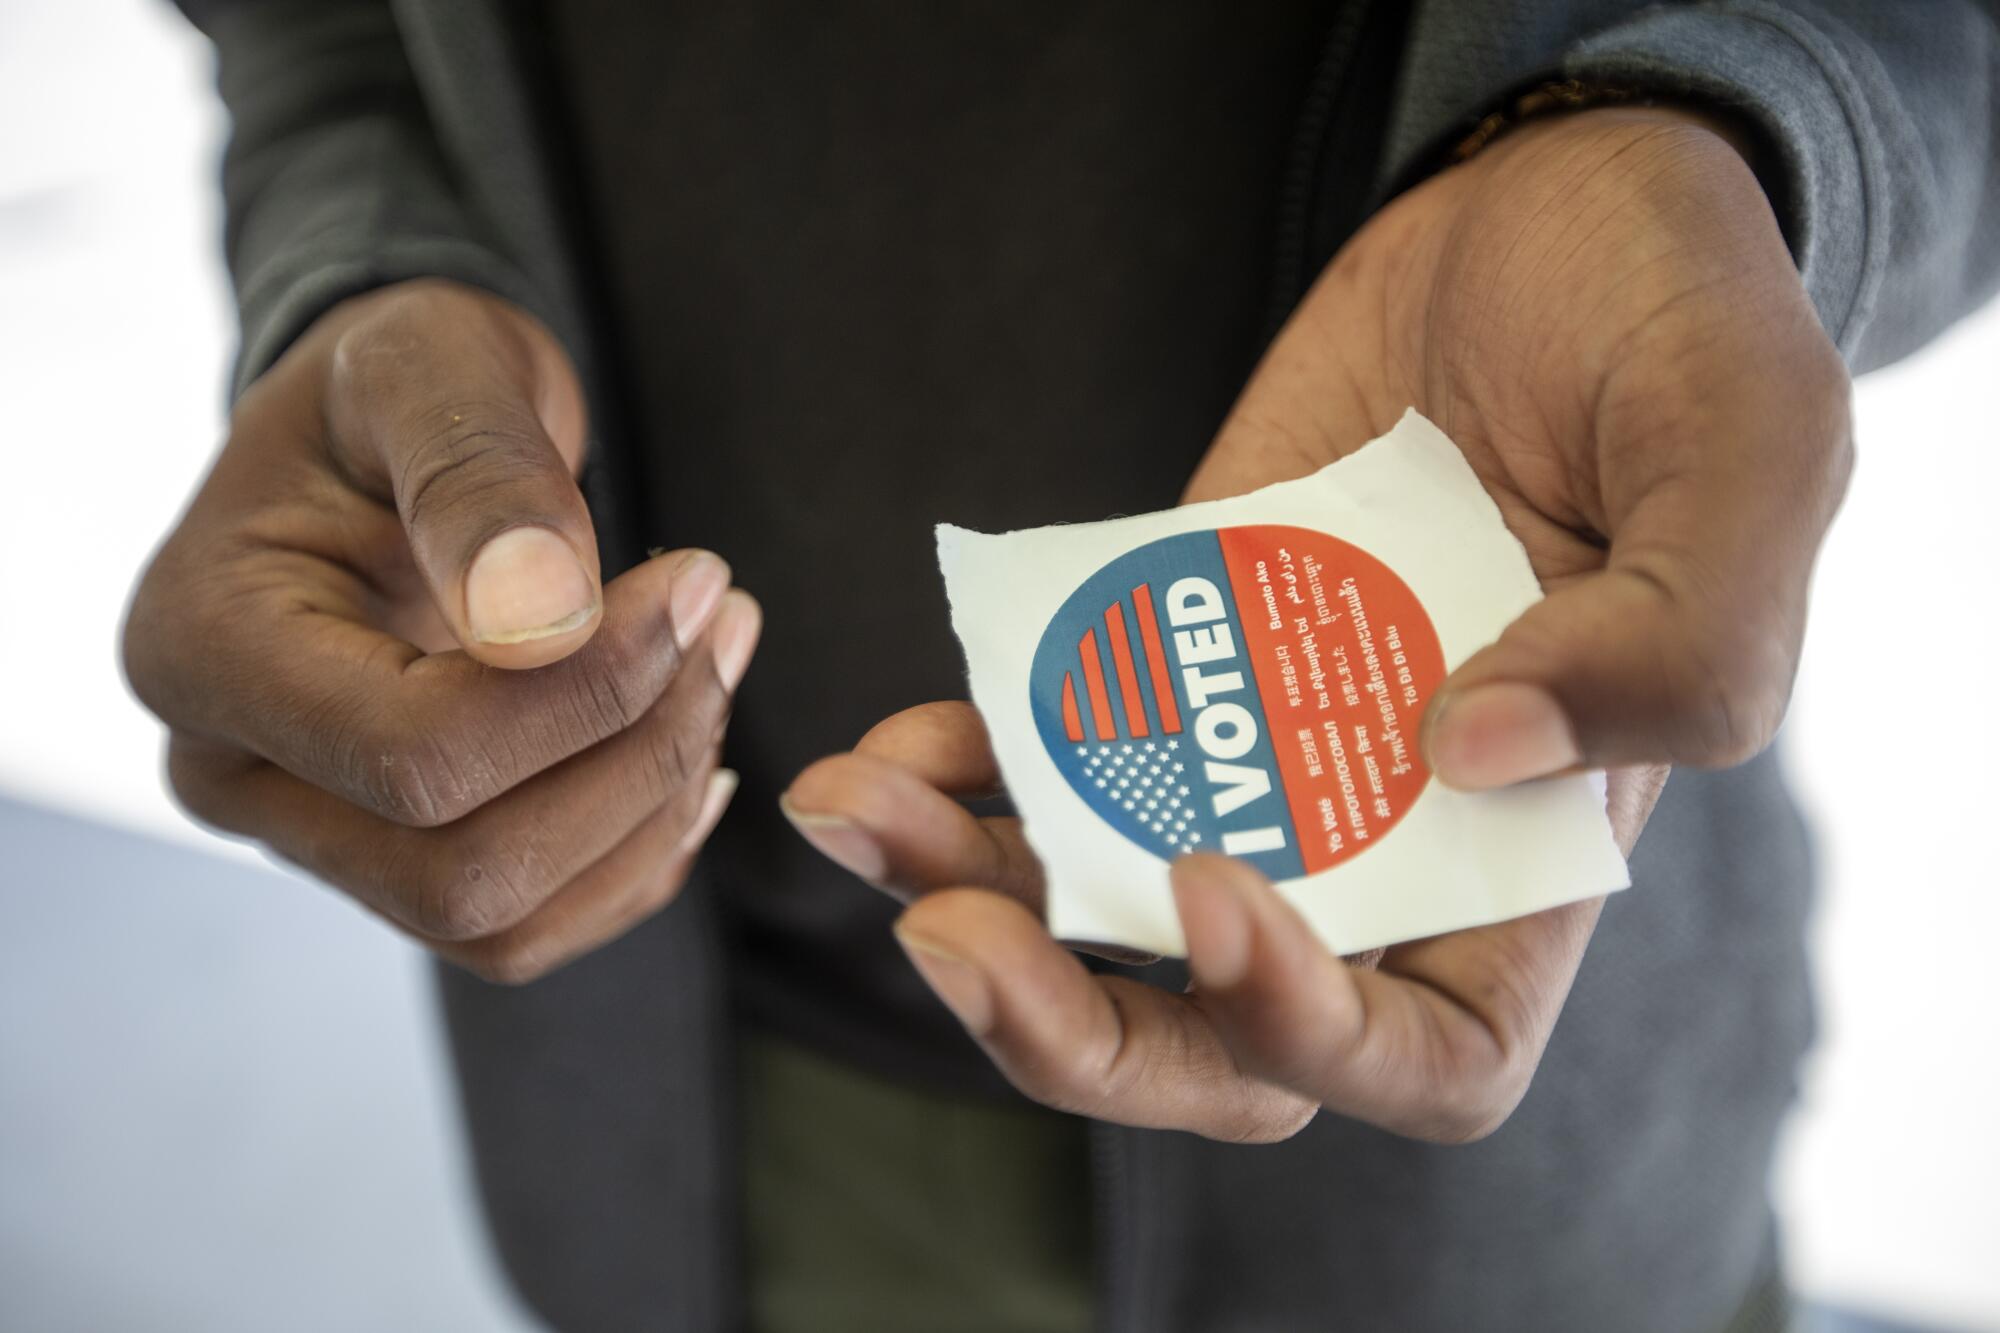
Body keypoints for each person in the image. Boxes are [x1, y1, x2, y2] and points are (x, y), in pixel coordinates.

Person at [125, 3, 1999, 1330]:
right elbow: (323, 31)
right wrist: (360, 275)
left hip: (1525, 1173)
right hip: (704, 1118)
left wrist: (1730, 135)